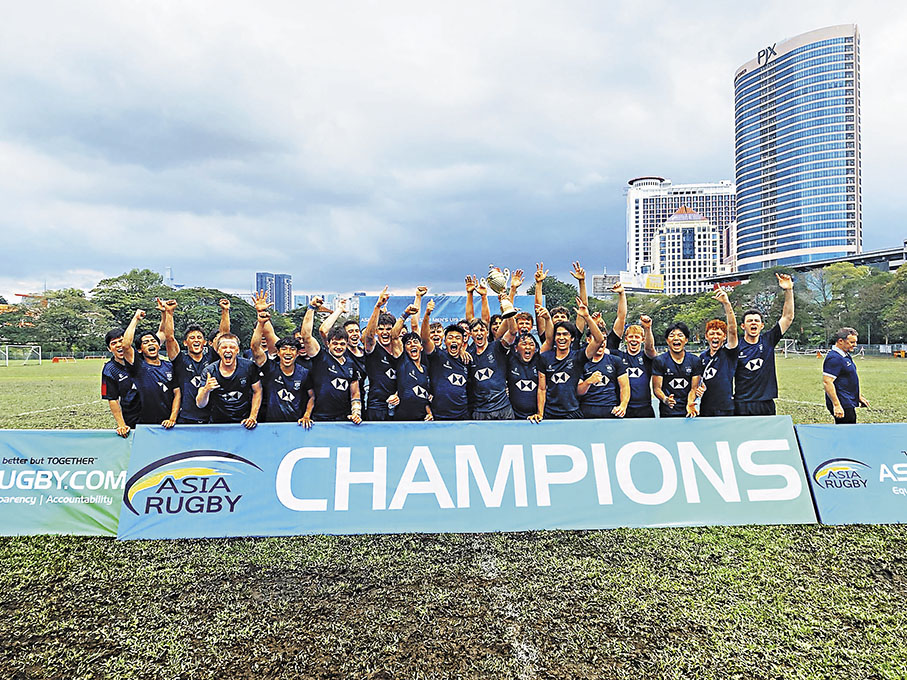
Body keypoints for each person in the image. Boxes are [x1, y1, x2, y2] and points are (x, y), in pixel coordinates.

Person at [733, 272, 795, 416]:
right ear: (743, 326)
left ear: (761, 326)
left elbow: (787, 317)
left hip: (766, 402)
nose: (753, 323)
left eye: (756, 321)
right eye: (749, 321)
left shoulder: (768, 340)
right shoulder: (735, 346)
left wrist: (788, 290)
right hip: (742, 403)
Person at [536, 298, 603, 420]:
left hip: (573, 413)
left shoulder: (578, 357)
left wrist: (587, 317)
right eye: (558, 334)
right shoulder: (545, 357)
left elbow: (599, 340)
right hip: (550, 414)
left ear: (572, 338)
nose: (561, 338)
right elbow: (541, 389)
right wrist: (540, 413)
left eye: (565, 334)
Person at [301, 297, 363, 424]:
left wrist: (356, 413)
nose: (338, 347)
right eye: (335, 343)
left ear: (346, 344)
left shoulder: (351, 365)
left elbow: (355, 394)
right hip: (319, 419)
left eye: (342, 344)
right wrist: (311, 308)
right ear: (328, 343)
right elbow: (306, 337)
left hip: (343, 421)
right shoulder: (320, 357)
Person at [250, 309, 314, 426]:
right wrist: (260, 323)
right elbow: (255, 348)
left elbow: (312, 396)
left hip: (296, 426)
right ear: (278, 353)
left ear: (297, 353)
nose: (288, 352)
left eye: (292, 349)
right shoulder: (270, 368)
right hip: (272, 425)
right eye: (284, 349)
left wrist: (306, 415)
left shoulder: (304, 373)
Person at [160, 299, 219, 424]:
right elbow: (169, 338)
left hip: (211, 417)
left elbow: (223, 335)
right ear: (185, 343)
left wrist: (225, 311)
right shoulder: (180, 360)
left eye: (199, 337)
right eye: (192, 338)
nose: (196, 340)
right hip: (186, 417)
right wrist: (169, 313)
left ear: (204, 342)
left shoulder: (211, 358)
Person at [122, 309, 180, 428]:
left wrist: (172, 418)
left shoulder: (169, 366)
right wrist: (136, 318)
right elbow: (126, 345)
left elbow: (177, 393)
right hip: (143, 424)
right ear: (140, 349)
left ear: (159, 346)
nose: (150, 343)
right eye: (146, 342)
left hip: (167, 424)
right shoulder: (137, 366)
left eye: (153, 341)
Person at [608, 283, 658, 418]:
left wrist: (647, 329)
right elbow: (621, 318)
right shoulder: (618, 357)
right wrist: (621, 294)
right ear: (626, 339)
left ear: (642, 339)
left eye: (637, 337)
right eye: (631, 337)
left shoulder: (647, 357)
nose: (633, 340)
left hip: (644, 408)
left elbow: (650, 348)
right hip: (624, 408)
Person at [196, 333, 262, 428]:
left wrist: (252, 417)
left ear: (237, 350)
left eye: (232, 347)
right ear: (218, 350)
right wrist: (206, 389)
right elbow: (200, 404)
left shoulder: (249, 367)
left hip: (244, 423)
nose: (228, 350)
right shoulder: (209, 371)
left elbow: (257, 391)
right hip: (218, 424)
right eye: (224, 347)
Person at [421, 300, 471, 420]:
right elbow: (425, 339)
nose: (454, 340)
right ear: (445, 341)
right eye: (450, 337)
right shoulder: (437, 355)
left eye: (457, 338)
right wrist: (427, 314)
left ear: (462, 341)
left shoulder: (468, 359)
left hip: (462, 416)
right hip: (439, 415)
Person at [696, 290, 739, 417]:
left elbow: (732, 329)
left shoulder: (729, 352)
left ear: (724, 337)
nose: (715, 336)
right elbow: (698, 380)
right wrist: (698, 389)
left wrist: (726, 304)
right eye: (712, 333)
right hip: (705, 406)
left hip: (725, 407)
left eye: (719, 334)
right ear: (706, 336)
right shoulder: (702, 357)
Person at [361, 286, 400, 421]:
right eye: (381, 329)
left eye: (388, 329)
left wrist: (398, 394)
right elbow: (368, 336)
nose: (385, 332)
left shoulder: (401, 351)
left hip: (399, 404)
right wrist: (377, 306)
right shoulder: (373, 348)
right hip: (376, 406)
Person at [577, 321, 630, 419]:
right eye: (596, 338)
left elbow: (625, 387)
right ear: (588, 340)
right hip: (587, 411)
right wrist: (588, 381)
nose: (601, 342)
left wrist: (623, 405)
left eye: (604, 338)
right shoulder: (581, 361)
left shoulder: (615, 361)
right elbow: (578, 391)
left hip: (610, 409)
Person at [467, 316, 514, 420]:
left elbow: (512, 332)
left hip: (502, 408)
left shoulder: (497, 347)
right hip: (480, 411)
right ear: (470, 335)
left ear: (487, 333)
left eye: (482, 330)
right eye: (475, 331)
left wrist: (509, 313)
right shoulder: (468, 355)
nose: (479, 333)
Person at [652, 322, 702, 418]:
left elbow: (694, 388)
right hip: (667, 412)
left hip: (688, 411)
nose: (676, 338)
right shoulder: (660, 360)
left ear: (686, 340)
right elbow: (656, 388)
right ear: (667, 340)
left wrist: (690, 403)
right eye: (672, 335)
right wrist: (665, 399)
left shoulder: (695, 360)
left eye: (680, 335)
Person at [823, 327, 870, 424]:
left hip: (848, 401)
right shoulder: (834, 358)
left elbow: (848, 379)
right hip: (842, 403)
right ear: (840, 341)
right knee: (847, 429)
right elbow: (827, 382)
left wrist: (858, 397)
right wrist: (836, 405)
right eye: (852, 342)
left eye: (855, 342)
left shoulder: (845, 355)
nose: (855, 345)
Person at [101, 327, 142, 437]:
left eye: (121, 341)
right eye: (114, 343)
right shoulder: (109, 370)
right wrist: (121, 424)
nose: (119, 345)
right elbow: (112, 399)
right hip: (131, 417)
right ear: (109, 349)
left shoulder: (141, 357)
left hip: (156, 414)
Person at [390, 332, 433, 421]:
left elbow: (424, 396)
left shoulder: (425, 369)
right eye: (408, 343)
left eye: (415, 342)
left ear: (421, 347)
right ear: (405, 349)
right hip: (403, 419)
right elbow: (394, 336)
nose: (412, 344)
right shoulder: (403, 362)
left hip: (421, 419)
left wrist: (429, 413)